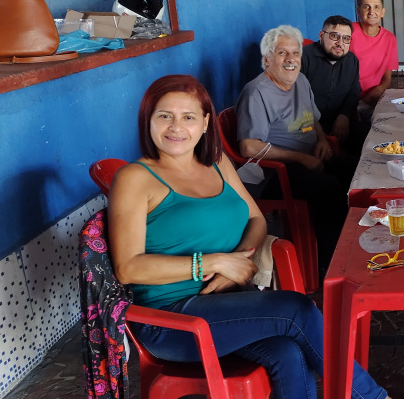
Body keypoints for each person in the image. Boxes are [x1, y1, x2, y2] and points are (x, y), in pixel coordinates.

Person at [108, 74, 389, 399]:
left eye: (188, 117)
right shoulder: (135, 178)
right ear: (148, 121)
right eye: (164, 116)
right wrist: (213, 263)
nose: (176, 127)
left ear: (204, 124)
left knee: (288, 352)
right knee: (298, 310)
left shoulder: (215, 162)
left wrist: (238, 261)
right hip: (172, 318)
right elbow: (128, 268)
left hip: (226, 302)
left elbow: (255, 218)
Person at [236, 25, 357, 276]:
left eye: (296, 53)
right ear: (267, 59)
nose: (291, 60)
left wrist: (322, 140)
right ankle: (330, 266)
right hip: (273, 173)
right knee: (330, 190)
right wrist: (301, 157)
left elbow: (313, 120)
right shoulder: (256, 91)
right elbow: (249, 147)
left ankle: (355, 247)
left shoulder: (301, 80)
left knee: (356, 171)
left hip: (310, 155)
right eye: (282, 53)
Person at [301, 15, 367, 153]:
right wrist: (319, 133)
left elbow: (353, 93)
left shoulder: (352, 60)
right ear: (321, 35)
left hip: (339, 121)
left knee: (371, 142)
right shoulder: (303, 58)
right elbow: (299, 101)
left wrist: (344, 115)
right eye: (334, 36)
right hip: (307, 127)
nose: (340, 43)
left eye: (346, 38)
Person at [350, 0, 398, 122]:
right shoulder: (349, 32)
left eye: (376, 7)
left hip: (374, 98)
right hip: (347, 99)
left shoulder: (389, 38)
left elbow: (387, 78)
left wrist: (377, 91)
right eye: (367, 7)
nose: (372, 11)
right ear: (359, 11)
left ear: (382, 12)